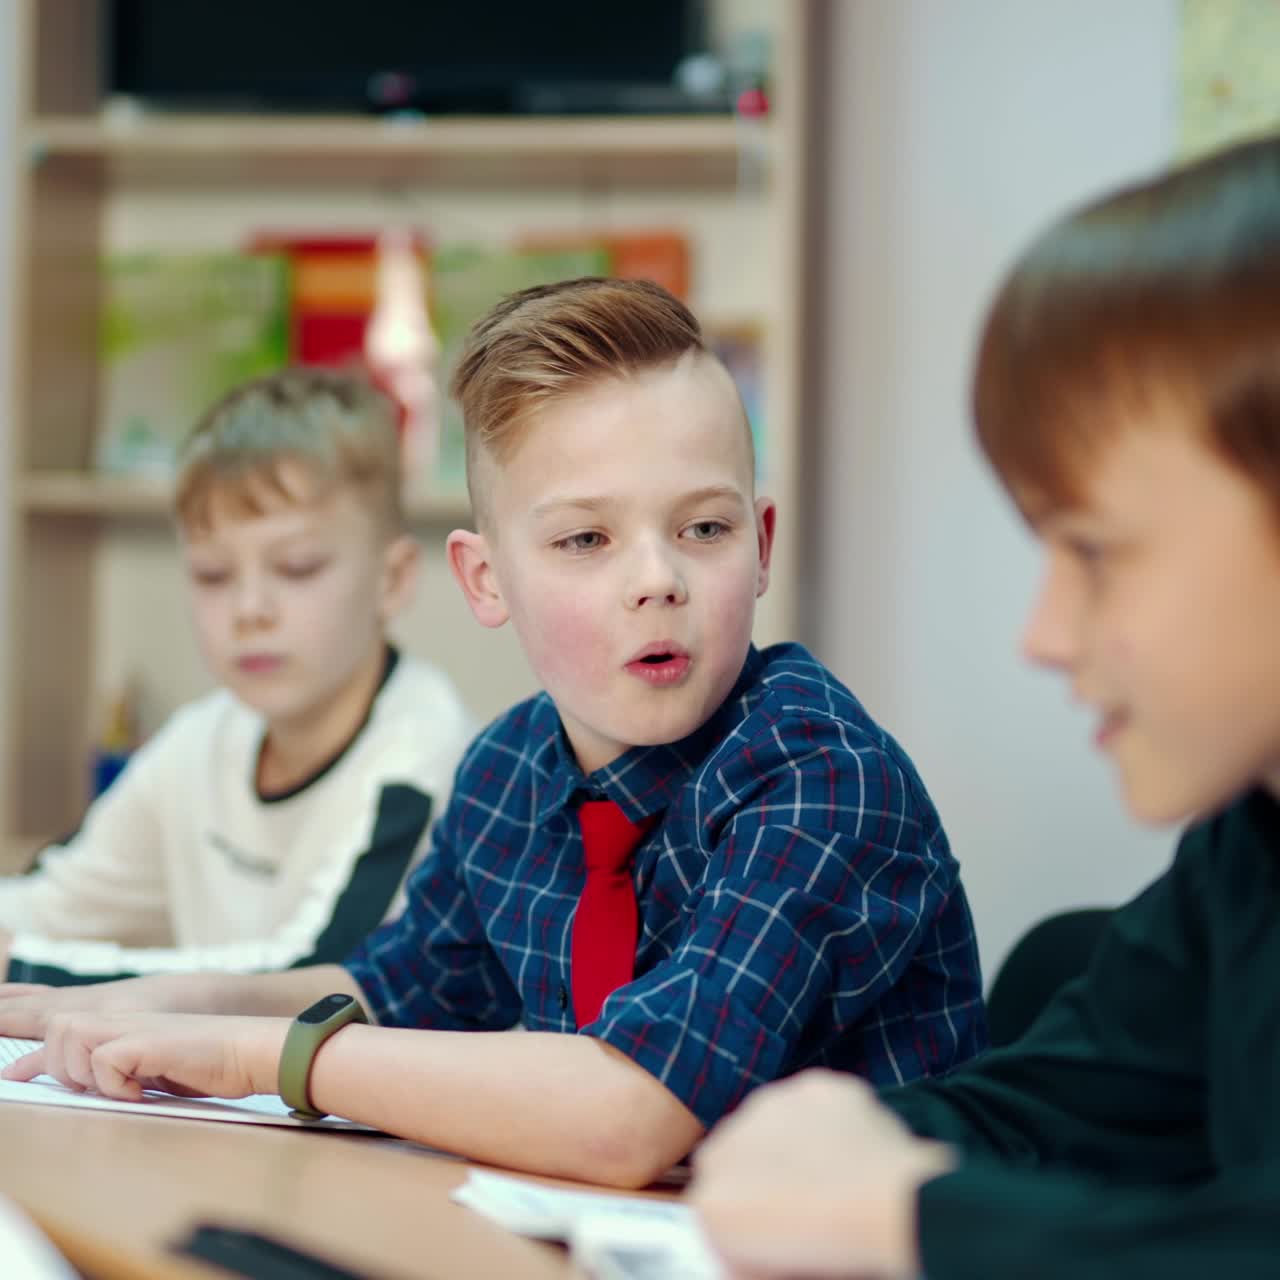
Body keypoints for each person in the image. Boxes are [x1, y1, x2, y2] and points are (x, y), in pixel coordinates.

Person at [0, 278, 983, 1188]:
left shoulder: (819, 773)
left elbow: (631, 1113)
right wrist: (159, 1003)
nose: (657, 578)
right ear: (483, 579)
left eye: (703, 529)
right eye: (584, 538)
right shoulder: (509, 767)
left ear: (761, 544)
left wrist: (260, 1053)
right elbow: (391, 986)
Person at [689, 135, 1280, 1278]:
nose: (1041, 634)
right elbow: (1043, 1110)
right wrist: (836, 1144)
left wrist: (907, 1215)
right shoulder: (1246, 849)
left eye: (1093, 551)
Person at [0, 368, 473, 986]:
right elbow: (55, 900)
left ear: (392, 580)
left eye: (296, 568)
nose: (250, 609)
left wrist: (25, 966)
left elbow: (314, 974)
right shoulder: (202, 736)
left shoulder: (423, 754)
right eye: (212, 574)